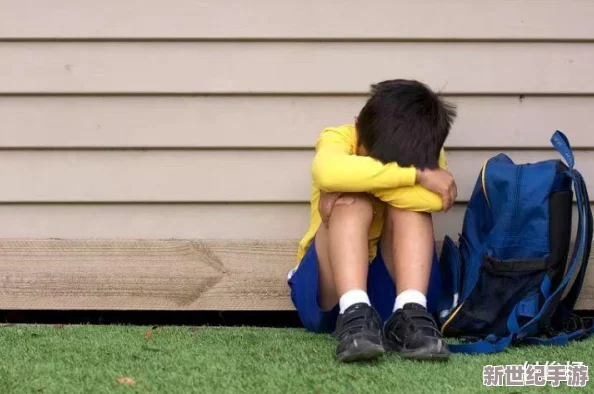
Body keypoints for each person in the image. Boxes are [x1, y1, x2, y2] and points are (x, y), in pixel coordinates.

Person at [287, 79, 458, 362]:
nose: (380, 169)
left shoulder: (424, 144)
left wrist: (357, 180)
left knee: (411, 210)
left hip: (399, 292)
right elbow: (327, 172)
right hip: (329, 294)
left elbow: (437, 200)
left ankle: (410, 311)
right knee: (352, 205)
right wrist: (414, 176)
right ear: (357, 126)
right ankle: (354, 312)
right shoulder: (340, 138)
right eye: (372, 162)